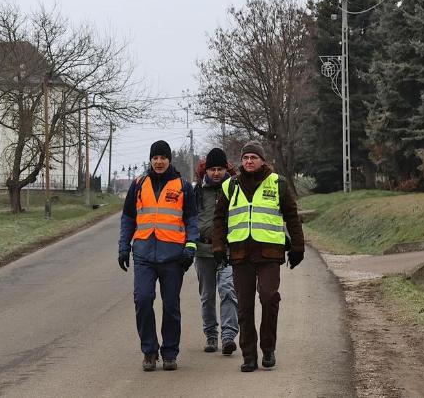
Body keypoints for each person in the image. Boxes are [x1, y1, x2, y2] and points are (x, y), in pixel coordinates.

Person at [211, 141, 304, 373]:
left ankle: (268, 349)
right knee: (244, 306)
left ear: (262, 160)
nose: (249, 161)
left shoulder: (278, 184)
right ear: (241, 162)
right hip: (241, 254)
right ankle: (249, 356)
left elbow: (292, 216)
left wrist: (298, 247)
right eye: (245, 158)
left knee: (269, 297)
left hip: (269, 254)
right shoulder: (230, 187)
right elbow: (219, 219)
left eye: (253, 157)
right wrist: (218, 248)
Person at [118, 140, 199, 372]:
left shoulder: (183, 186)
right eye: (155, 158)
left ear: (169, 160)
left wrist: (190, 248)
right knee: (142, 300)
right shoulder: (138, 184)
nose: (159, 161)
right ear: (150, 160)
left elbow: (191, 221)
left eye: (163, 157)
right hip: (143, 254)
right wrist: (124, 247)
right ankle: (149, 351)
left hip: (173, 257)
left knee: (171, 306)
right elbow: (127, 219)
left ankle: (170, 352)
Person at [193, 148, 239, 355]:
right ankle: (211, 335)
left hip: (229, 249)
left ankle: (228, 335)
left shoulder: (236, 189)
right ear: (205, 171)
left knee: (228, 291)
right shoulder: (197, 192)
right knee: (207, 295)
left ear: (226, 169)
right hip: (203, 250)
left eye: (220, 169)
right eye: (212, 169)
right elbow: (190, 220)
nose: (216, 173)